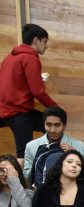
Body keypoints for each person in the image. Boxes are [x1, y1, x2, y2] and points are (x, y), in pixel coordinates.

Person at [0, 24, 57, 159]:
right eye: (45, 41)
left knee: (48, 124)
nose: (46, 46)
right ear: (36, 40)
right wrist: (55, 108)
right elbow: (38, 91)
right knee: (25, 154)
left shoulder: (9, 57)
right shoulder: (31, 58)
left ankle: (50, 158)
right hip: (18, 112)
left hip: (5, 109)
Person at [22, 106, 84, 186]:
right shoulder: (31, 146)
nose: (53, 130)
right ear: (44, 124)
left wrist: (76, 154)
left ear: (65, 126)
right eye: (48, 125)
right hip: (41, 190)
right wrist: (38, 161)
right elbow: (26, 179)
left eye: (57, 125)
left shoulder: (79, 145)